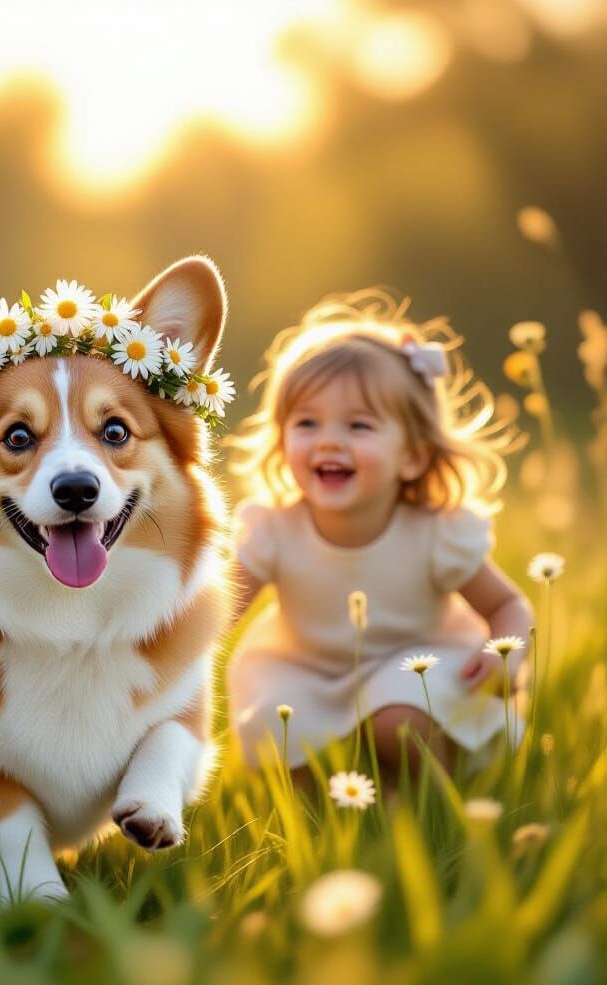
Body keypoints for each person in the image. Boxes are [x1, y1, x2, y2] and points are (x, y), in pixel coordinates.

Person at [226, 289, 533, 778]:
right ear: (281, 438)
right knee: (278, 723)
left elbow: (506, 605)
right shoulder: (273, 528)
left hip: (415, 667)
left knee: (399, 718)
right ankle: (327, 813)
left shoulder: (435, 531)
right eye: (307, 422)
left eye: (358, 426)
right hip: (308, 671)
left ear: (412, 454)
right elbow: (216, 615)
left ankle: (422, 797)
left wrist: (506, 654)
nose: (329, 440)